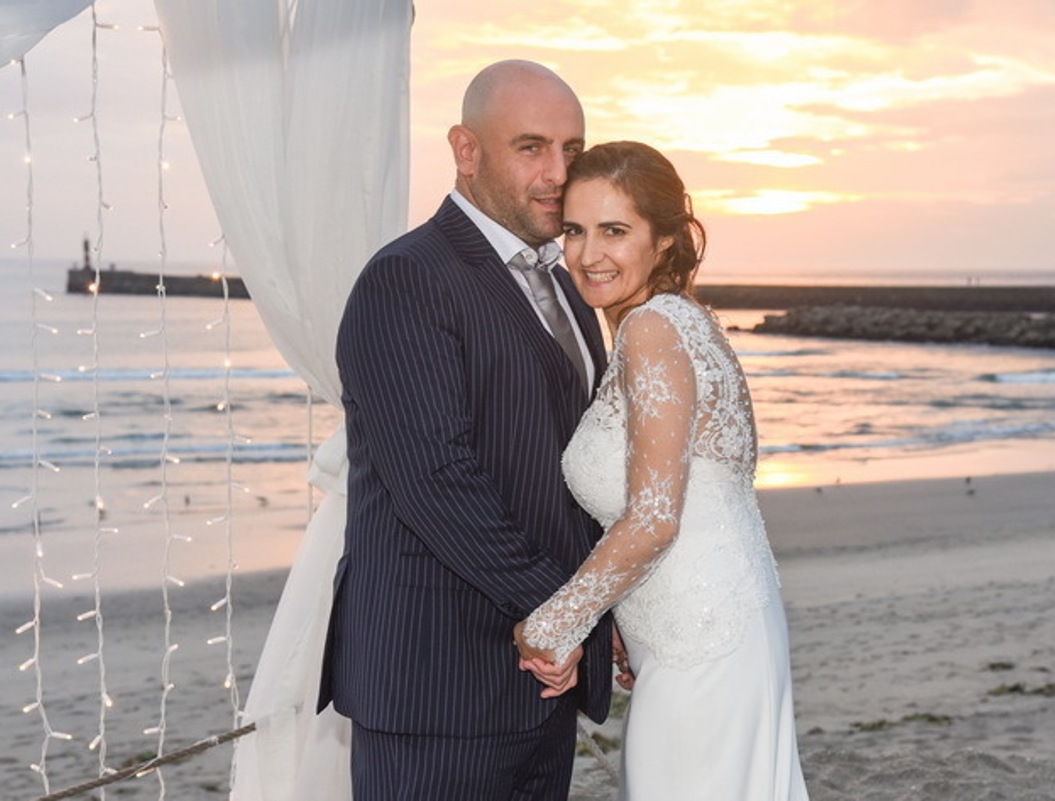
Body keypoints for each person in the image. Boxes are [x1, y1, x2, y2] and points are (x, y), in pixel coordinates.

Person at [318, 60, 613, 800]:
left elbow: (574, 469)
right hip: (436, 684)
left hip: (544, 679)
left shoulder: (569, 287)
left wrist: (598, 614)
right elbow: (437, 482)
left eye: (572, 150)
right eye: (531, 147)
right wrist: (568, 614)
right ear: (466, 148)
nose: (558, 173)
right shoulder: (406, 278)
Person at [514, 141, 811, 800]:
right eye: (574, 230)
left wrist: (550, 627)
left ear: (666, 238)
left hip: (701, 643)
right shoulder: (683, 323)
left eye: (615, 231)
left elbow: (653, 518)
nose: (588, 254)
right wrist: (622, 618)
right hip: (712, 629)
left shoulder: (651, 329)